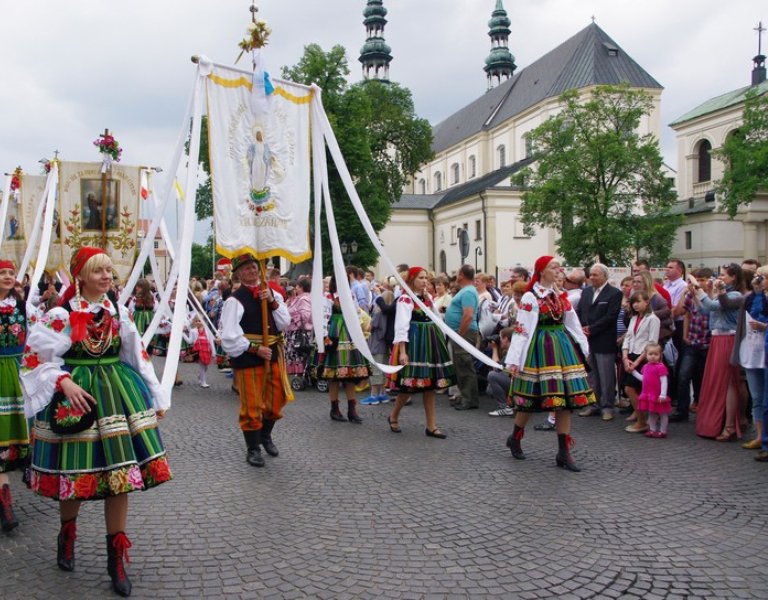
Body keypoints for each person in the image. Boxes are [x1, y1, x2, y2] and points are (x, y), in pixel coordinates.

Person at [20, 247, 171, 597]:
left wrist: (156, 396)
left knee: (120, 476)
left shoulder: (117, 310)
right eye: (98, 271)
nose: (106, 277)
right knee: (74, 475)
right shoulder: (61, 313)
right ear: (81, 276)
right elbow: (34, 357)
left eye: (108, 271)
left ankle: (115, 558)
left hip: (118, 396)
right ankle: (67, 533)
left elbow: (138, 355)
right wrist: (64, 381)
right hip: (78, 399)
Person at [504, 256, 595, 472]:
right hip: (539, 349)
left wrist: (583, 346)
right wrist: (514, 360)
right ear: (542, 271)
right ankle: (516, 436)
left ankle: (563, 452)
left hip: (561, 349)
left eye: (559, 267)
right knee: (529, 399)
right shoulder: (530, 296)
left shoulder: (559, 295)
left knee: (564, 401)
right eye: (553, 267)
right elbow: (522, 329)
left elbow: (572, 322)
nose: (558, 270)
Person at [220, 253, 292, 467]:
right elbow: (228, 336)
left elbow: (284, 323)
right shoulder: (234, 300)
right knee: (251, 404)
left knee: (277, 398)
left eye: (254, 267)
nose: (252, 271)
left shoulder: (272, 295)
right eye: (247, 268)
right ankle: (253, 448)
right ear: (239, 274)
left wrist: (271, 302)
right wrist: (254, 349)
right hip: (250, 358)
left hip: (274, 353)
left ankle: (265, 435)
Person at [387, 267, 456, 437]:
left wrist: (429, 301)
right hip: (415, 343)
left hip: (430, 342)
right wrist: (403, 351)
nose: (425, 281)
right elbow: (401, 326)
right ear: (411, 280)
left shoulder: (427, 298)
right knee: (408, 387)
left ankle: (431, 426)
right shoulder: (405, 298)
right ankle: (394, 415)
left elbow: (437, 319)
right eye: (420, 278)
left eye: (426, 278)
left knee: (430, 386)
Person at [692, 264, 746, 440]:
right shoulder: (722, 293)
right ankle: (720, 423)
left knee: (728, 382)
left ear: (734, 277)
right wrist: (696, 295)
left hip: (727, 340)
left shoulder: (736, 294)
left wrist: (700, 291)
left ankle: (729, 425)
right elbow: (706, 309)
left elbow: (718, 305)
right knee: (716, 382)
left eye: (723, 275)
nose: (719, 278)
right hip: (717, 339)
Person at [0, 259, 30, 533]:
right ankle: (5, 502)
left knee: (18, 427)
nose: (8, 276)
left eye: (11, 272)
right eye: (3, 273)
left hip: (17, 369)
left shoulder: (19, 305)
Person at [315, 276, 369, 423]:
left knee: (350, 374)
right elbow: (324, 316)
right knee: (334, 375)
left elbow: (357, 313)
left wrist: (359, 331)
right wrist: (325, 336)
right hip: (335, 333)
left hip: (350, 334)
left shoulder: (350, 295)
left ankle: (352, 409)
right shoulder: (328, 297)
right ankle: (335, 408)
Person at [576, 264, 623, 421]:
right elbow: (582, 311)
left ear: (604, 276)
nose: (592, 278)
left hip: (603, 339)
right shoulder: (586, 292)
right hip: (587, 340)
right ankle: (593, 404)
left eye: (595, 275)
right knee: (591, 375)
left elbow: (611, 316)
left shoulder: (614, 293)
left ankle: (607, 406)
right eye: (591, 275)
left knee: (606, 375)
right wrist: (581, 328)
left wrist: (592, 328)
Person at [732, 267, 768, 449]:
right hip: (752, 351)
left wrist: (765, 326)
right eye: (756, 277)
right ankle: (760, 436)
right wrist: (757, 291)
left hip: (765, 350)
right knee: (758, 397)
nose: (758, 280)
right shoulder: (751, 298)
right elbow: (746, 305)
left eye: (761, 277)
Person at [670, 268, 712, 422]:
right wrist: (685, 335)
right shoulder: (690, 294)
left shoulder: (712, 297)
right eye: (697, 280)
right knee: (683, 375)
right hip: (692, 341)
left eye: (703, 280)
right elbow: (683, 312)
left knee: (704, 378)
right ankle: (682, 410)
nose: (699, 283)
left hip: (708, 342)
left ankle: (703, 408)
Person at [621, 291, 661, 434]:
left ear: (647, 302)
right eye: (633, 302)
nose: (636, 305)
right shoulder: (634, 318)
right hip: (631, 354)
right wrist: (625, 357)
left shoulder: (653, 319)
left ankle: (642, 420)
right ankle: (642, 418)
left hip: (644, 357)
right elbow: (628, 338)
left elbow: (652, 342)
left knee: (630, 388)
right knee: (631, 389)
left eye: (639, 301)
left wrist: (637, 362)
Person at [444, 265, 480, 410]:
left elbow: (468, 315)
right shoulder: (466, 291)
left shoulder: (468, 292)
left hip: (464, 333)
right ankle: (464, 395)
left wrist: (460, 334)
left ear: (461, 275)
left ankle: (470, 399)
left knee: (465, 365)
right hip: (460, 333)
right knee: (460, 365)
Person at [630, 342, 672, 438]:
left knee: (662, 413)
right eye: (650, 354)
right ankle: (652, 430)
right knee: (652, 413)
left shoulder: (661, 367)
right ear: (646, 355)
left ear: (660, 355)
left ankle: (663, 431)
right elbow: (643, 379)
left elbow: (664, 381)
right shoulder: (645, 367)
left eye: (656, 354)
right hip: (649, 394)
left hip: (658, 395)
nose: (653, 356)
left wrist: (663, 394)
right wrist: (633, 372)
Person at [361, 290, 394, 405]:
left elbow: (370, 328)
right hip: (385, 345)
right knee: (383, 369)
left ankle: (373, 395)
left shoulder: (378, 313)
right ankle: (382, 394)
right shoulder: (390, 314)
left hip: (375, 344)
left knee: (375, 369)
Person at [487, 327, 515, 417]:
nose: (500, 340)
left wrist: (495, 349)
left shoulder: (513, 351)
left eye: (500, 338)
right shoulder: (513, 349)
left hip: (517, 384)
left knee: (492, 376)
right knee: (490, 389)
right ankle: (513, 404)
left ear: (506, 339)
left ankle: (505, 408)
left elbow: (496, 368)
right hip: (515, 382)